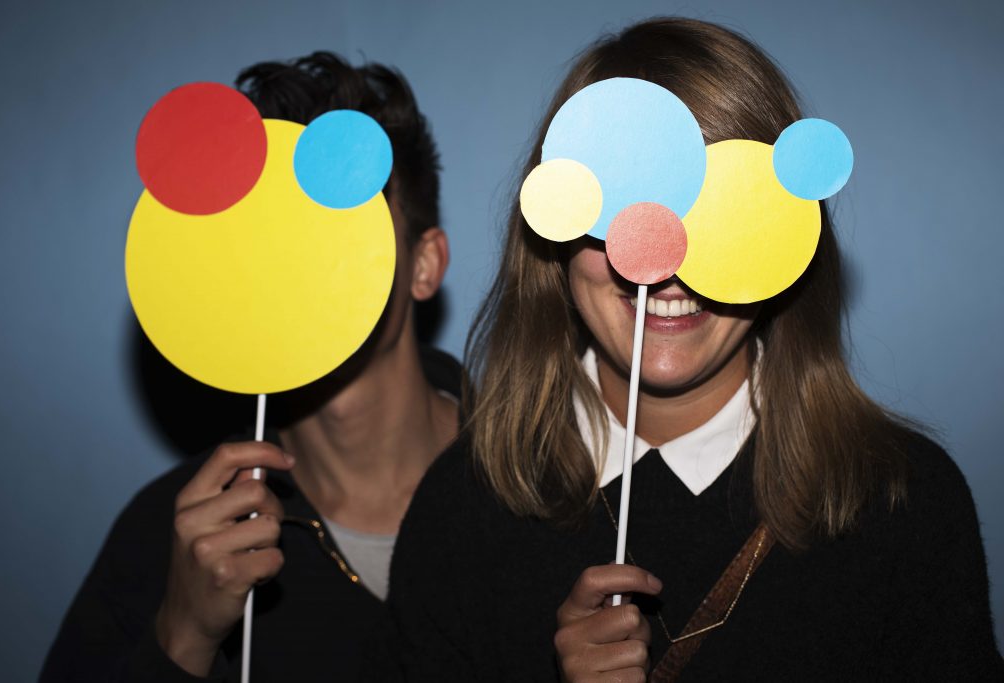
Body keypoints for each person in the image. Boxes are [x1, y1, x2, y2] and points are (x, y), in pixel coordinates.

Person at [382, 18, 1003, 682]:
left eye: (718, 214)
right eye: (625, 208)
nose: (666, 264)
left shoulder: (903, 504)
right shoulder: (463, 509)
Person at [41, 52, 459, 682]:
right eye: (271, 226)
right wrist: (184, 634)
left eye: (347, 218)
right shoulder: (177, 535)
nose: (301, 258)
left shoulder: (548, 485)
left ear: (424, 265)